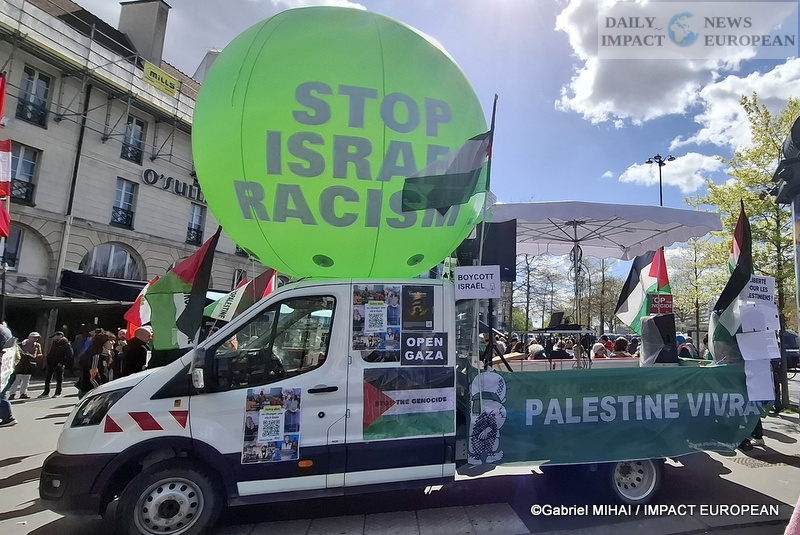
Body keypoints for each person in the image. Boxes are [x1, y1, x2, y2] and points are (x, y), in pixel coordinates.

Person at [77, 331, 116, 399]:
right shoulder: (95, 356)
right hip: (90, 391)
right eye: (111, 340)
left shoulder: (108, 354)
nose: (114, 342)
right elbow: (92, 378)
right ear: (103, 343)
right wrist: (100, 392)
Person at [8, 332, 42, 399]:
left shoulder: (37, 345)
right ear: (29, 337)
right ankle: (12, 393)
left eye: (37, 338)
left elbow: (40, 354)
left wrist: (34, 356)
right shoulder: (21, 344)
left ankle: (23, 393)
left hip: (29, 364)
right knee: (16, 380)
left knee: (26, 380)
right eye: (34, 337)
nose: (36, 339)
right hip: (19, 364)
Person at [40, 331, 74, 398]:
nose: (54, 338)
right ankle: (46, 392)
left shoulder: (65, 343)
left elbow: (69, 355)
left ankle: (58, 392)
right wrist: (48, 359)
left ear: (60, 336)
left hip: (59, 363)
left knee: (59, 378)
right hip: (51, 362)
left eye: (55, 336)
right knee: (48, 378)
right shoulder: (55, 342)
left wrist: (62, 362)